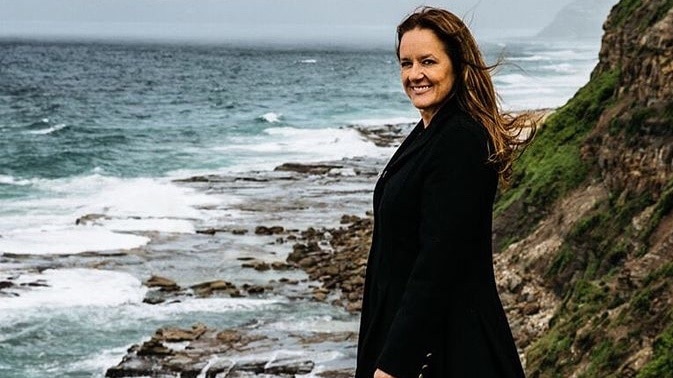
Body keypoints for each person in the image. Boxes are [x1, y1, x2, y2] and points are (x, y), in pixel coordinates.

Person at [355, 7, 536, 378]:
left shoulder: (460, 140)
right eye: (406, 63)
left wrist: (393, 365)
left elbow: (438, 264)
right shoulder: (428, 132)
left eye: (428, 61)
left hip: (445, 352)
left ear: (456, 64)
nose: (415, 75)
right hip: (418, 341)